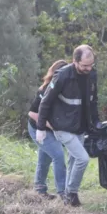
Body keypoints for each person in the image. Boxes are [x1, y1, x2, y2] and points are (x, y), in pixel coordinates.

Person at [36, 45, 100, 207]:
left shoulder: (92, 74)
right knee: (82, 158)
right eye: (85, 65)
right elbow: (46, 101)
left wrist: (96, 123)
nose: (88, 68)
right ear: (75, 61)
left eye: (91, 65)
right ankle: (71, 193)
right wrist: (41, 127)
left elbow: (93, 101)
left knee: (73, 160)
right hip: (61, 125)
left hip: (80, 125)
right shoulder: (62, 75)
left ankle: (66, 199)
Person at [26, 59, 69, 200]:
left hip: (51, 129)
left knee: (45, 158)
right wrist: (53, 127)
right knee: (58, 155)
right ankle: (63, 193)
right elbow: (32, 114)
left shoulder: (67, 90)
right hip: (37, 127)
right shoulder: (45, 90)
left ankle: (39, 189)